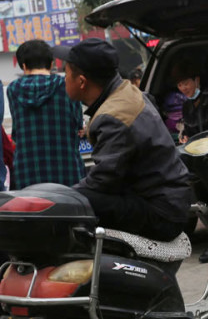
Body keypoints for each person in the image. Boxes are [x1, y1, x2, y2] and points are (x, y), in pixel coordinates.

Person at [56, 38, 193, 242]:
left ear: (82, 82)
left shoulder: (113, 116)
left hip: (162, 213)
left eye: (66, 74)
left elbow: (102, 182)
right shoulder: (125, 91)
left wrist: (58, 199)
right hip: (168, 200)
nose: (63, 79)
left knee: (72, 203)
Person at [6, 40, 86, 190]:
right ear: (50, 64)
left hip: (27, 173)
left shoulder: (13, 89)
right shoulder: (65, 85)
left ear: (23, 65)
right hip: (67, 169)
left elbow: (16, 133)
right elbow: (77, 124)